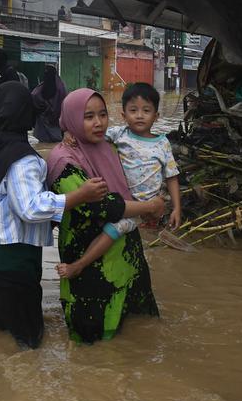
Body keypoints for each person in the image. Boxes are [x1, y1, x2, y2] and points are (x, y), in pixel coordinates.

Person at [0, 82, 109, 348]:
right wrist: (79, 195)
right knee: (27, 339)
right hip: (0, 261)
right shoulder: (23, 159)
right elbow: (30, 209)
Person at [47, 89, 166, 343]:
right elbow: (103, 206)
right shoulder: (62, 160)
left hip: (127, 255)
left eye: (103, 114)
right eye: (88, 117)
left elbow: (141, 172)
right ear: (71, 119)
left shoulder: (109, 146)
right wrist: (148, 207)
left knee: (140, 336)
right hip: (90, 264)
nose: (98, 123)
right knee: (92, 345)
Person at [55, 82, 181, 280]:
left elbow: (172, 176)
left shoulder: (163, 144)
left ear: (156, 116)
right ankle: (79, 265)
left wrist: (176, 208)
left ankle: (79, 265)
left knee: (112, 230)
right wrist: (68, 132)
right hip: (126, 200)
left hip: (141, 207)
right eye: (133, 110)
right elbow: (89, 134)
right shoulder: (118, 135)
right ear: (123, 115)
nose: (139, 115)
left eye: (146, 111)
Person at [30, 64, 67, 143]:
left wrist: (42, 108)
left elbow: (33, 96)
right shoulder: (61, 87)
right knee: (56, 143)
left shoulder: (41, 88)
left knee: (44, 143)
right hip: (55, 121)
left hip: (47, 121)